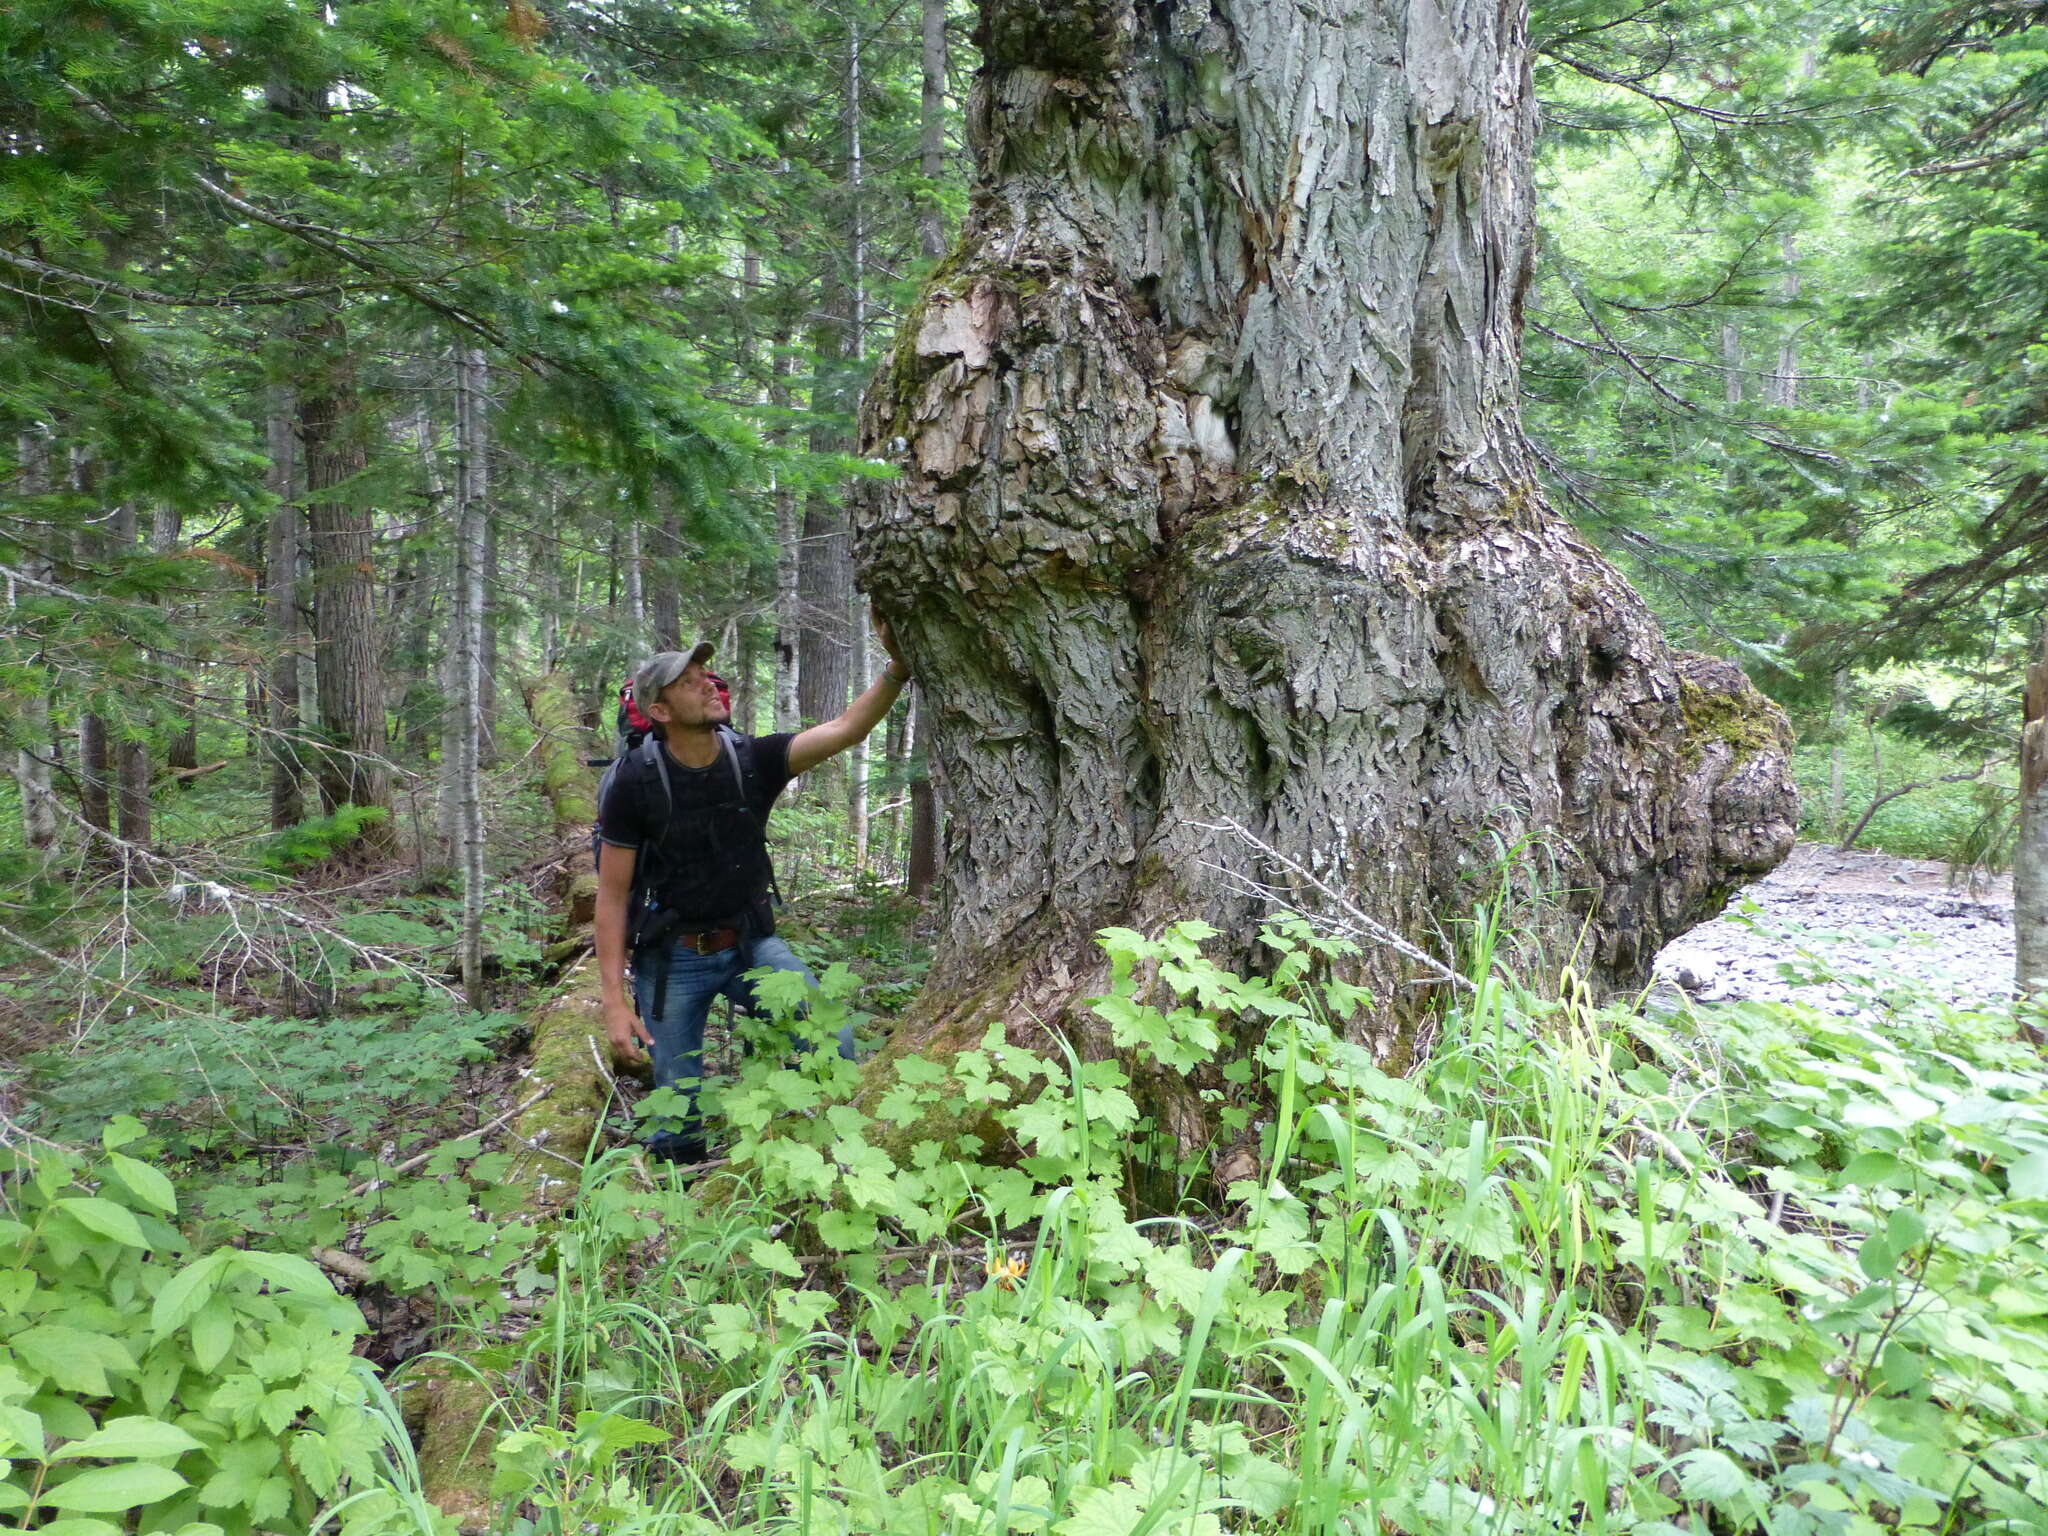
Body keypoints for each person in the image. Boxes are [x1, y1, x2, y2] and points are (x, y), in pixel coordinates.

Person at [595, 614, 912, 1165]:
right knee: (674, 1105)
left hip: (751, 943)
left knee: (827, 1037)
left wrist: (898, 668)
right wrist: (614, 1002)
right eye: (688, 682)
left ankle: (818, 1151)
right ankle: (681, 1197)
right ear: (660, 711)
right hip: (671, 959)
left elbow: (845, 730)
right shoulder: (634, 782)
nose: (708, 685)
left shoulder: (752, 760)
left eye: (705, 674)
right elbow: (611, 896)